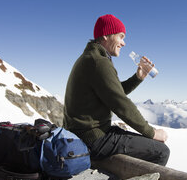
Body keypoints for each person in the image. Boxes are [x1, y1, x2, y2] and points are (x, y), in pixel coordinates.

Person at [63, 14, 170, 166]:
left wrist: (138, 77)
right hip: (92, 138)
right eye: (121, 36)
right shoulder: (98, 62)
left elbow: (112, 93)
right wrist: (152, 132)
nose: (124, 43)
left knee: (148, 146)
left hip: (87, 133)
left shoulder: (92, 57)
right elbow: (120, 103)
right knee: (161, 151)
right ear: (106, 35)